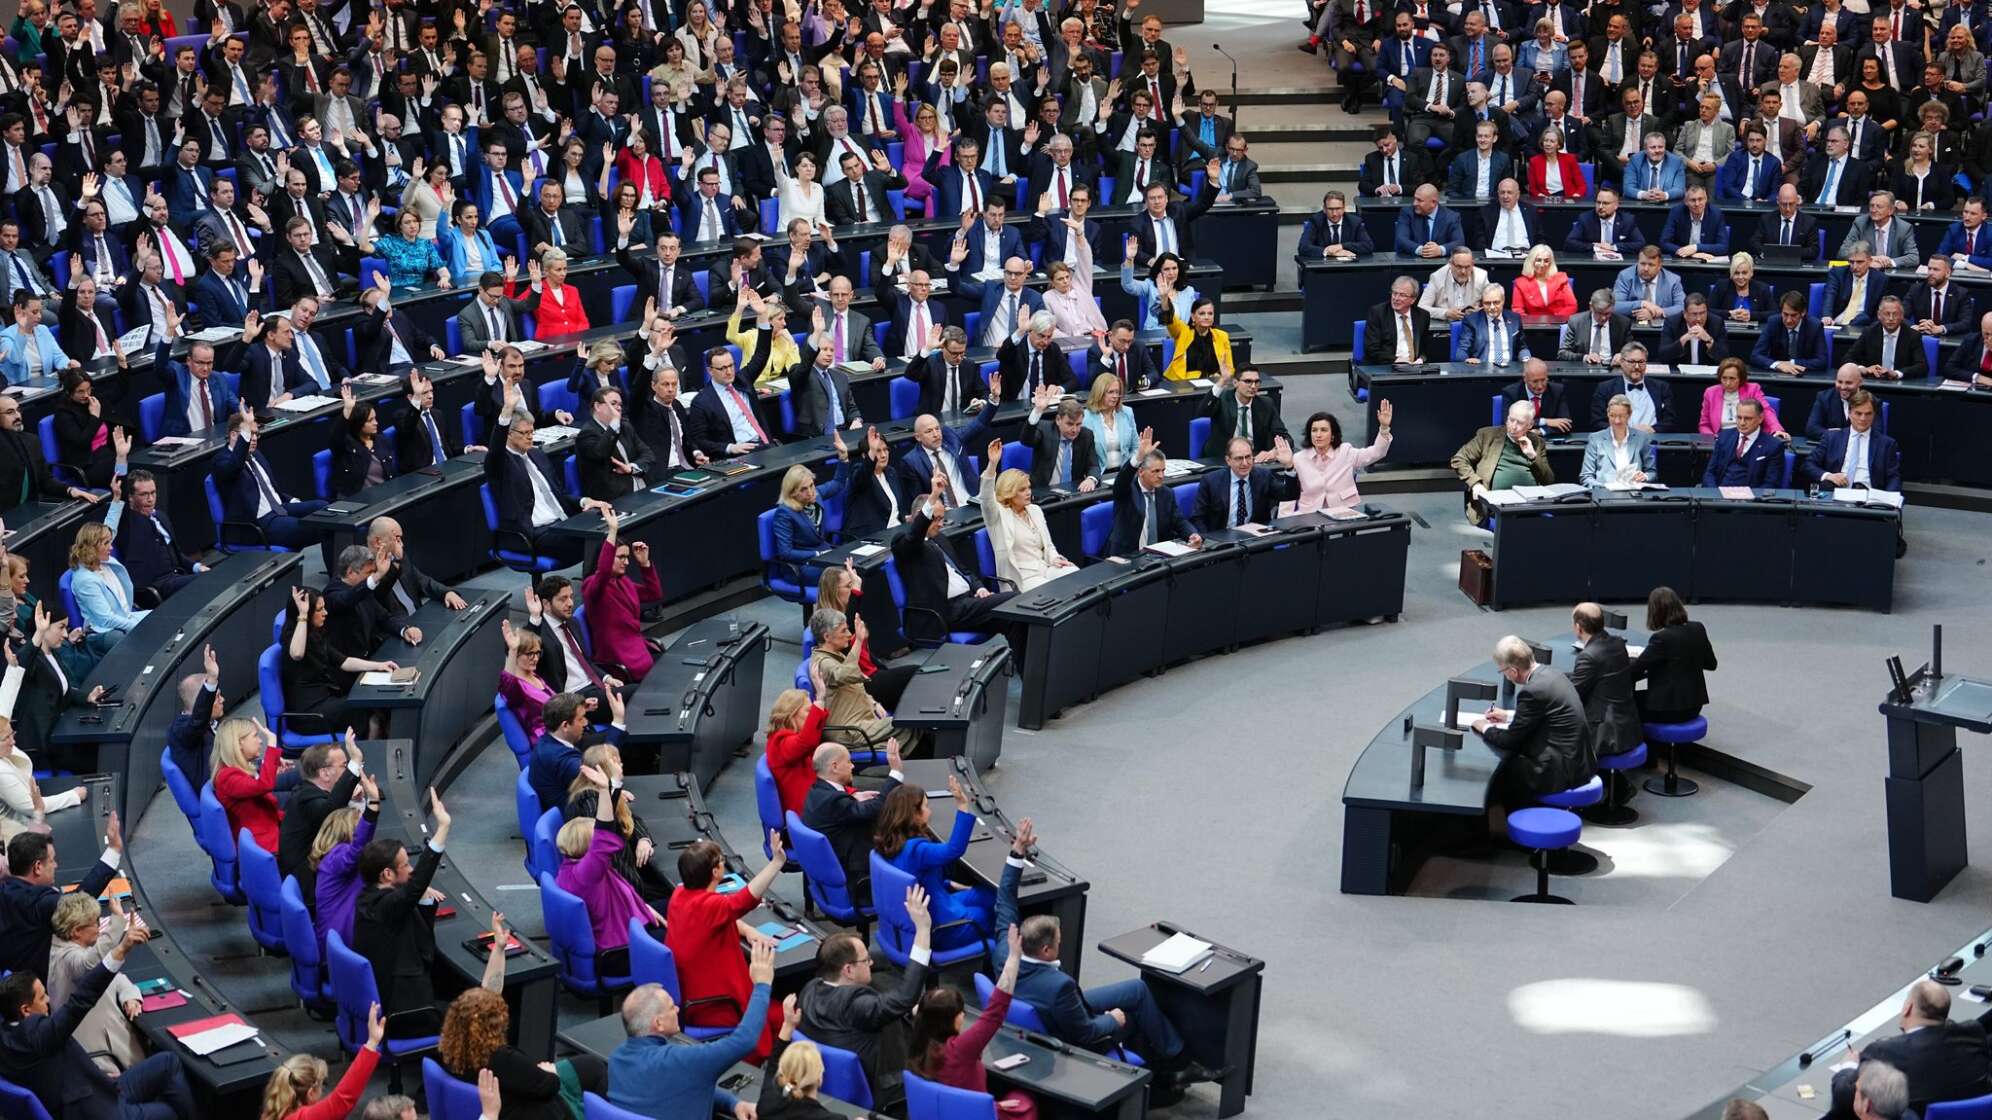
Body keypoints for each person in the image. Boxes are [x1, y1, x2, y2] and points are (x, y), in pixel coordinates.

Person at [988, 819, 1217, 1105]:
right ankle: (1170, 1071)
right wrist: (1113, 1019)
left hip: (1049, 1009)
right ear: (1046, 950)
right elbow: (1085, 1031)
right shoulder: (1060, 985)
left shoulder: (1005, 950)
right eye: (1059, 940)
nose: (1062, 942)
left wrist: (1018, 851)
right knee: (1131, 1017)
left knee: (1136, 990)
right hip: (1066, 1034)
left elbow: (1005, 898)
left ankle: (1173, 1062)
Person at [0, 922, 192, 1120]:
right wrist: (121, 950)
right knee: (172, 1112)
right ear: (25, 1010)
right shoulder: (40, 1035)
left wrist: (95, 1074)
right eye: (42, 997)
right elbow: (81, 999)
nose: (48, 1000)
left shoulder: (7, 1035)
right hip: (96, 1111)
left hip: (96, 1086)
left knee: (169, 1062)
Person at [795, 884, 933, 1108]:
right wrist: (923, 930)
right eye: (865, 960)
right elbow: (905, 997)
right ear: (848, 970)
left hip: (832, 1086)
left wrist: (906, 1010)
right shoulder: (857, 1005)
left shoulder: (810, 990)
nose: (872, 962)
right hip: (886, 1090)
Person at [609, 942, 775, 1120]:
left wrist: (733, 1104)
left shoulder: (617, 1060)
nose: (678, 1010)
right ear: (658, 1023)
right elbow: (745, 1040)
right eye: (672, 1007)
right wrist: (762, 985)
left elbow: (686, 1086)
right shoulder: (683, 1060)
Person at [664, 839, 787, 1064]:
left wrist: (747, 929)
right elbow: (745, 900)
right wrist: (777, 862)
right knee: (789, 1014)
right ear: (715, 872)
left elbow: (716, 919)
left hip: (691, 994)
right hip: (717, 1006)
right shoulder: (710, 906)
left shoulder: (679, 896)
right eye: (722, 860)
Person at [906, 924, 1036, 1119]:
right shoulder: (961, 1049)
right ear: (954, 1019)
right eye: (961, 1012)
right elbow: (996, 1010)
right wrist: (1014, 957)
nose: (964, 1016)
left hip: (945, 1113)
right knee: (1026, 1100)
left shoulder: (917, 1041)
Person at [352, 790, 452, 1038]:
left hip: (398, 984)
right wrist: (443, 828)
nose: (410, 869)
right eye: (406, 865)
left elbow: (412, 901)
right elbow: (415, 885)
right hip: (405, 1008)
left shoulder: (369, 897)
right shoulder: (386, 906)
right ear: (387, 874)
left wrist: (424, 899)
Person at [555, 763, 665, 967]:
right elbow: (604, 832)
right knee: (689, 931)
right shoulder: (586, 874)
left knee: (678, 905)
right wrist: (605, 791)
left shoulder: (569, 866)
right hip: (620, 948)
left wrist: (645, 908)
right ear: (591, 849)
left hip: (627, 921)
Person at [1470, 635, 1595, 808]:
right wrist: (1507, 715)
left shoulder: (1532, 691)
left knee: (1504, 774)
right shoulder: (1553, 673)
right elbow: (1546, 713)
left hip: (1561, 771)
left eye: (1502, 671)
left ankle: (1506, 827)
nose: (1505, 676)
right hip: (1580, 761)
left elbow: (1509, 740)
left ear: (1513, 671)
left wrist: (1485, 727)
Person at [874, 777, 993, 949]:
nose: (929, 811)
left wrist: (949, 884)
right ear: (914, 815)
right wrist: (962, 806)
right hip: (943, 927)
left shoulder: (887, 842)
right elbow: (954, 849)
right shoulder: (918, 850)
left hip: (936, 903)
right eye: (925, 807)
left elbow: (918, 879)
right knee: (992, 913)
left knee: (988, 894)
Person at [890, 484, 1018, 640]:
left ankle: (1022, 664)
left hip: (969, 602)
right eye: (936, 519)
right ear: (920, 516)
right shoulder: (904, 544)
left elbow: (964, 571)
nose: (941, 524)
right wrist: (933, 496)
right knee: (1013, 599)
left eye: (942, 518)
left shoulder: (940, 538)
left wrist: (979, 588)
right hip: (945, 611)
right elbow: (914, 537)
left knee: (1015, 620)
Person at [1853, 980, 1992, 1112]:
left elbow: (1848, 1091)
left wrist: (1848, 1066)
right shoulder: (1973, 1032)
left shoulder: (1882, 1052)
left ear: (1908, 1008)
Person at [45, 892, 143, 1075]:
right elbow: (89, 963)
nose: (100, 927)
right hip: (100, 1061)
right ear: (76, 931)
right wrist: (118, 924)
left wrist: (130, 996)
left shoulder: (63, 946)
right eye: (96, 922)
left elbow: (114, 976)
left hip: (111, 1045)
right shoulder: (67, 959)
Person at [281, 587, 395, 739]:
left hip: (325, 700)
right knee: (360, 709)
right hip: (308, 713)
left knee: (370, 705)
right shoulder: (292, 637)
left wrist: (379, 666)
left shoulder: (315, 634)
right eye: (319, 610)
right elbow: (297, 654)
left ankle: (371, 745)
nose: (325, 613)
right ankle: (367, 753)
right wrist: (302, 614)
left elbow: (344, 661)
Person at [581, 510, 665, 682]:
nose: (626, 562)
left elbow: (654, 593)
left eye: (627, 557)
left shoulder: (623, 581)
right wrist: (612, 532)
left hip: (636, 646)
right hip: (616, 655)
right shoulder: (592, 585)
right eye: (621, 557)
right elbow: (603, 572)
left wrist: (645, 564)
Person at [260, 1004, 384, 1120]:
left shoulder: (272, 1112)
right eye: (322, 1085)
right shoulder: (302, 1117)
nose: (323, 1091)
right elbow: (342, 1100)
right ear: (311, 1093)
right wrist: (372, 1043)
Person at [979, 442, 1075, 592]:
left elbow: (1048, 546)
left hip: (1045, 568)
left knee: (1074, 575)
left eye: (1029, 488)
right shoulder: (998, 516)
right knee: (1052, 592)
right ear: (1009, 492)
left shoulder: (1035, 510)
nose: (1028, 492)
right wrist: (992, 464)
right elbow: (986, 498)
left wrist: (1055, 558)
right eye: (1022, 490)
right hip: (1021, 578)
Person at [276, 733, 361, 896]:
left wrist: (347, 793)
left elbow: (329, 804)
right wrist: (356, 761)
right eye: (344, 765)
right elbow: (329, 811)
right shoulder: (308, 799)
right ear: (324, 773)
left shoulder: (307, 791)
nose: (347, 768)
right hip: (307, 883)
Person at [106, 470, 202, 604]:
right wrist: (121, 459)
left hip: (177, 576)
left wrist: (196, 567)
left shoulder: (161, 516)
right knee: (206, 582)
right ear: (130, 497)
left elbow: (176, 554)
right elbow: (121, 491)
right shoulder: (127, 522)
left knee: (219, 574)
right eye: (144, 494)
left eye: (153, 493)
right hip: (154, 587)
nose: (150, 499)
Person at [528, 689, 628, 815]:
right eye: (580, 719)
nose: (585, 723)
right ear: (565, 726)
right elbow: (604, 770)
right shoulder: (563, 759)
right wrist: (618, 719)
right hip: (578, 820)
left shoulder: (549, 740)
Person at [1451, 401, 1553, 524]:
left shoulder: (1537, 443)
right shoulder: (1487, 435)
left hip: (1529, 507)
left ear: (1530, 425)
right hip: (1495, 508)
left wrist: (1532, 456)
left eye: (1520, 423)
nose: (1513, 426)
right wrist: (1475, 484)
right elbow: (1459, 459)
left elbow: (1548, 481)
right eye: (1511, 420)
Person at [1568, 602, 1642, 764]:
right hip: (1629, 727)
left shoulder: (1588, 656)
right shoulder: (1618, 643)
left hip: (1605, 735)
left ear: (1579, 628)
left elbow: (1572, 696)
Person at [1631, 586, 1718, 723]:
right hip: (1695, 706)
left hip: (1669, 710)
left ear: (1655, 612)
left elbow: (1635, 671)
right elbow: (1711, 664)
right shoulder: (1698, 628)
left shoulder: (1661, 638)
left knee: (1623, 704)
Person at [210, 716, 292, 856]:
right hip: (265, 844)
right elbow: (264, 785)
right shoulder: (226, 778)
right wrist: (272, 743)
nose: (260, 741)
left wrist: (270, 764)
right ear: (239, 743)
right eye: (255, 736)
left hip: (271, 824)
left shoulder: (232, 769)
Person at [1290, 406, 1391, 513]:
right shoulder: (1299, 458)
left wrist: (1384, 428)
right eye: (1314, 430)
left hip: (1343, 510)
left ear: (1333, 435)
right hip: (1310, 513)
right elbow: (1289, 492)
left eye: (1323, 430)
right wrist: (1284, 519)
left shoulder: (1345, 451)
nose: (1318, 435)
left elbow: (1376, 452)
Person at [311, 794, 377, 952]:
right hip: (340, 947)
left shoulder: (332, 857)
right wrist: (373, 805)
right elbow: (357, 848)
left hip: (336, 939)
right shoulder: (338, 857)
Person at [66, 520, 145, 646]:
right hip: (104, 631)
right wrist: (139, 626)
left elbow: (109, 529)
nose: (111, 547)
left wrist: (115, 503)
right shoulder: (85, 580)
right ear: (92, 547)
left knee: (163, 618)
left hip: (126, 617)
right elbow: (105, 619)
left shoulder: (104, 561)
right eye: (106, 543)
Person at [1803, 390, 1901, 491]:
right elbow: (1808, 464)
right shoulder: (1832, 437)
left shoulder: (1886, 444)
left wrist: (1889, 499)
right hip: (1835, 492)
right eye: (1858, 413)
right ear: (1849, 413)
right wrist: (1829, 476)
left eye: (1868, 414)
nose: (1863, 418)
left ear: (1874, 415)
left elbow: (1893, 477)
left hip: (1869, 496)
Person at [498, 620, 555, 744]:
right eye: (529, 654)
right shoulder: (516, 688)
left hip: (564, 731)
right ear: (516, 655)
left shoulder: (534, 676)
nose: (535, 658)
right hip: (548, 742)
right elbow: (507, 684)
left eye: (537, 653)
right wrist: (513, 650)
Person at [1700, 358, 1789, 436]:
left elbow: (1765, 410)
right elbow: (1704, 424)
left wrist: (1777, 429)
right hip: (1720, 439)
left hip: (1747, 438)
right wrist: (1712, 439)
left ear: (1741, 378)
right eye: (1724, 378)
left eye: (1732, 378)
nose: (1727, 383)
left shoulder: (1752, 389)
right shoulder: (1711, 392)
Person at [1580, 395, 1656, 486]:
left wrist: (1645, 476)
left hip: (1634, 492)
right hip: (1605, 494)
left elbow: (1652, 472)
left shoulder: (1642, 438)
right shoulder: (1595, 438)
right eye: (1612, 416)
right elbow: (1586, 477)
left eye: (1621, 416)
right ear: (1607, 414)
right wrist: (1605, 487)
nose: (1617, 421)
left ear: (1629, 414)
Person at [1510, 245, 1577, 316]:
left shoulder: (1561, 279)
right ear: (1531, 261)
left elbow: (1572, 306)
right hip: (1533, 324)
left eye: (1546, 261)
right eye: (1538, 260)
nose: (1542, 265)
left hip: (1559, 322)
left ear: (1550, 263)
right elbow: (1517, 310)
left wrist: (1555, 320)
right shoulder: (1520, 283)